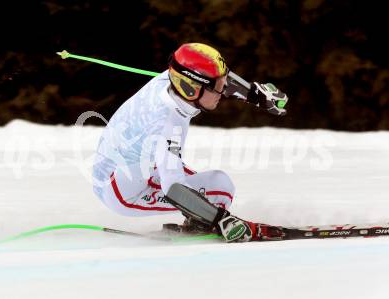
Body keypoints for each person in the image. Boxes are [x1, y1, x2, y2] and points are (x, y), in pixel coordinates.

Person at [92, 43, 288, 242]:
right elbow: (174, 189)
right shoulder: (168, 123)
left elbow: (218, 76)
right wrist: (222, 219)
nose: (223, 91)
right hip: (120, 191)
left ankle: (200, 220)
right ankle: (199, 225)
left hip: (133, 167)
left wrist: (255, 94)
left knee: (215, 187)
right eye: (218, 87)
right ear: (192, 90)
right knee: (221, 189)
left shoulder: (176, 79)